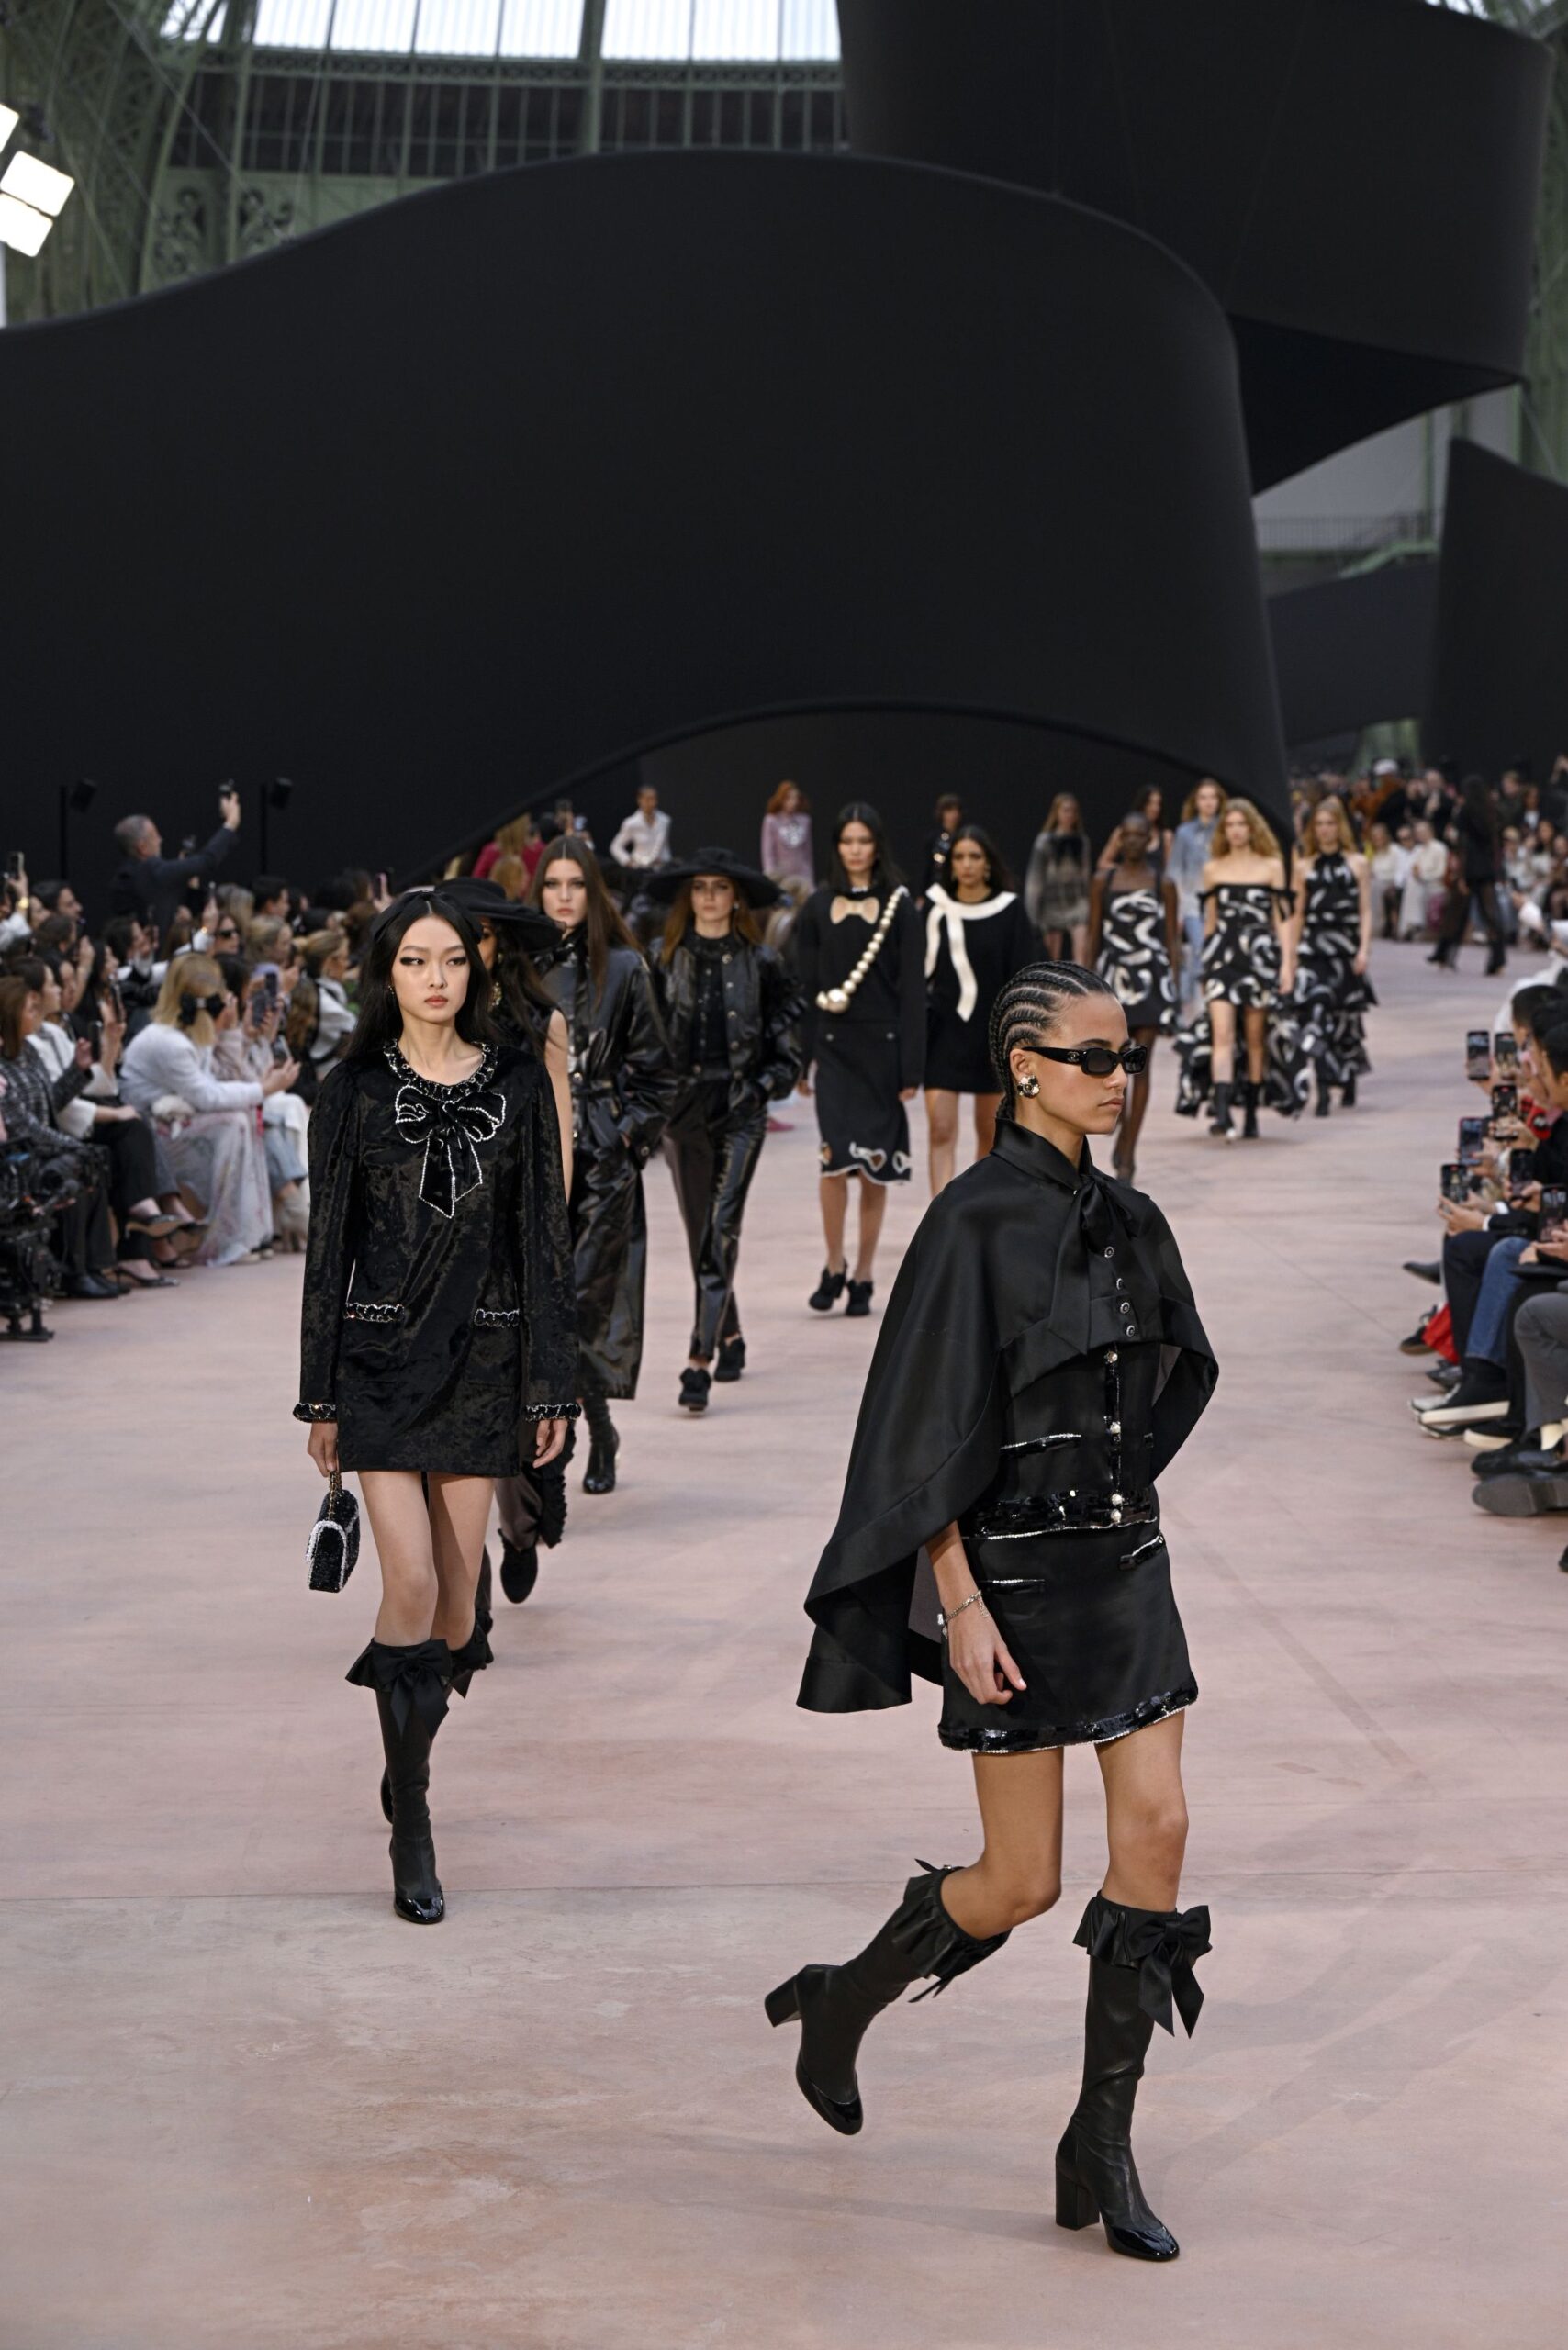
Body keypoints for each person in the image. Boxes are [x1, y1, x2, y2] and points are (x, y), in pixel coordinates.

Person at [770, 961, 1215, 2262]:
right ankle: (841, 2002)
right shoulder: (966, 1224)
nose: (1116, 1077)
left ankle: (1101, 2140)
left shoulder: (1131, 1218)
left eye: (1126, 1055)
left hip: (1125, 1566)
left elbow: (1169, 1379)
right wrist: (956, 1603)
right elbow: (920, 1436)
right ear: (1024, 1067)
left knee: (1164, 1827)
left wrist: (1118, 1495)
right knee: (1021, 1881)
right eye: (1091, 1056)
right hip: (1008, 1585)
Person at [295, 889, 577, 1926]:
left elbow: (543, 1234)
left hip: (485, 1359)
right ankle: (411, 1814)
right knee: (407, 1580)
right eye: (414, 960)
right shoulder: (353, 1089)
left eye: (450, 959)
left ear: (475, 969)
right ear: (387, 974)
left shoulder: (515, 1083)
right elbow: (327, 1250)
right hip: (376, 1362)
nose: (434, 979)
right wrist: (318, 1391)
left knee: (456, 1616)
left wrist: (553, 1379)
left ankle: (404, 1749)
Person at [441, 875, 576, 1608]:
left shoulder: (539, 1024)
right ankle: (466, 1568)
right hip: (434, 1249)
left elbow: (556, 1148)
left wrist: (542, 1250)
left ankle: (518, 1530)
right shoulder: (416, 1024)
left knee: (516, 1409)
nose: (466, 950)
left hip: (514, 1246)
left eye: (481, 935)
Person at [529, 835, 675, 1494]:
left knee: (581, 1303)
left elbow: (658, 1072)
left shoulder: (624, 969)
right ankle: (592, 1426)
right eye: (553, 884)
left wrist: (627, 1140)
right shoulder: (516, 968)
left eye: (575, 885)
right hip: (532, 1153)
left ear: (593, 893)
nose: (563, 896)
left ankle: (582, 1438)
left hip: (602, 1160)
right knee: (540, 1302)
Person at [646, 846, 805, 1410]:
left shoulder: (762, 962)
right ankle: (730, 1332)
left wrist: (761, 1088)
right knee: (701, 1230)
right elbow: (644, 1041)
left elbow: (789, 1044)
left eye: (719, 887)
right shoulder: (660, 959)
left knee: (723, 1224)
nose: (709, 897)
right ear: (688, 898)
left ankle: (698, 1360)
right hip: (683, 1108)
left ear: (735, 897)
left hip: (740, 1106)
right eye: (699, 887)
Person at [791, 804, 924, 1315]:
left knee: (873, 1166)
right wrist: (803, 1058)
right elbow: (805, 988)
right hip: (834, 1046)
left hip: (884, 1048)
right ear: (836, 846)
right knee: (832, 1161)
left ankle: (865, 1271)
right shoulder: (817, 905)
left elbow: (914, 989)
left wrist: (912, 1066)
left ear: (877, 846)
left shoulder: (899, 906)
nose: (854, 849)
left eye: (863, 840)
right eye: (846, 840)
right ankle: (833, 1263)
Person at [119, 956, 293, 1263]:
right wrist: (263, 1089)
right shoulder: (169, 1042)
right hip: (151, 1135)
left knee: (246, 1118)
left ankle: (249, 1233)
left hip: (173, 1121)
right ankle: (223, 1239)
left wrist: (236, 1035)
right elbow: (208, 1096)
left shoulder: (189, 1037)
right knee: (234, 1123)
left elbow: (222, 1083)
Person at [922, 824, 1036, 1193]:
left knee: (989, 1135)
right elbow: (918, 973)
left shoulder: (1008, 909)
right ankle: (940, 1222)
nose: (967, 865)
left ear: (987, 863)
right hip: (943, 1033)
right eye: (959, 857)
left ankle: (977, 1221)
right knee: (940, 1130)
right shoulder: (935, 906)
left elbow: (1023, 976)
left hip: (992, 1034)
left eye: (975, 856)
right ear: (950, 864)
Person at [1174, 800, 1297, 1140]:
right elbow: (1211, 921)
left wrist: (1287, 963)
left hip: (1258, 959)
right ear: (1223, 831)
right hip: (1222, 958)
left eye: (1242, 824)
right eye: (1230, 825)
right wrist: (1204, 967)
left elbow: (1282, 918)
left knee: (1256, 1039)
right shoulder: (1213, 869)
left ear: (1252, 827)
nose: (1236, 831)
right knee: (1222, 1036)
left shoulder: (1272, 866)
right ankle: (1224, 1113)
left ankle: (1253, 1115)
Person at [0, 973, 125, 1299]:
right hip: (16, 1158)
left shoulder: (28, 1051)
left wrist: (77, 1071)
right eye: (29, 1010)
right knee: (72, 1166)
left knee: (89, 1166)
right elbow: (22, 1127)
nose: (36, 1016)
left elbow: (50, 1104)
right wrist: (74, 1146)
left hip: (42, 1147)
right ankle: (74, 1272)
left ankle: (95, 1266)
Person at [1086, 811, 1179, 1181]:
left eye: (1140, 835)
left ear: (1150, 838)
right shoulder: (1103, 880)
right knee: (1114, 1063)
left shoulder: (1163, 882)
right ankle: (1122, 1125)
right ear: (1119, 838)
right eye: (1127, 835)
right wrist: (1086, 986)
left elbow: (1172, 941)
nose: (1134, 841)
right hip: (1114, 980)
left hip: (1152, 979)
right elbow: (1094, 935)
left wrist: (1174, 988)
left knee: (1142, 1064)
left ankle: (1129, 1151)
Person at [1291, 796, 1374, 1116]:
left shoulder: (1357, 863)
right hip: (1313, 950)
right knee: (1315, 1016)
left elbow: (1365, 910)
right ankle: (1324, 1088)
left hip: (1345, 949)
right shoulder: (1303, 866)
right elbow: (1297, 914)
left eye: (1331, 824)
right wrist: (1292, 956)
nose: (1325, 830)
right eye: (1320, 825)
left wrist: (1364, 949)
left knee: (1345, 1019)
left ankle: (1348, 1077)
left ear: (1340, 827)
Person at [109, 786, 242, 934]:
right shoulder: (152, 871)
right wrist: (231, 823)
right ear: (142, 847)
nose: (161, 840)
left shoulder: (124, 879)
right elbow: (207, 860)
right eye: (155, 836)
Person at [1430, 775, 1506, 975]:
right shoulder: (1492, 812)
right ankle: (1498, 959)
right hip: (1487, 868)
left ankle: (1444, 954)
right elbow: (1496, 845)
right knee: (1490, 915)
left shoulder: (1464, 812)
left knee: (1456, 913)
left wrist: (1462, 874)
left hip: (1470, 867)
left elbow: (1463, 845)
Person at [1167, 779, 1225, 1011]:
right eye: (1204, 797)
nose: (1208, 802)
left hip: (1221, 902)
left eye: (1213, 797)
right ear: (1196, 801)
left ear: (1219, 801)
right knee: (1201, 950)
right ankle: (1196, 1008)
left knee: (1211, 953)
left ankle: (1201, 1007)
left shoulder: (1225, 829)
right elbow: (1174, 870)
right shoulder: (1184, 832)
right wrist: (1178, 908)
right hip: (1192, 902)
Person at [1025, 794, 1092, 960]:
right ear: (1056, 813)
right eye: (1066, 810)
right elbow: (1035, 879)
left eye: (1073, 811)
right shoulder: (1044, 842)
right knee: (1052, 959)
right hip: (1052, 904)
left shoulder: (1082, 841)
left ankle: (1082, 985)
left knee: (1081, 953)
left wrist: (1090, 903)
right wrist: (1032, 915)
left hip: (1077, 902)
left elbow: (1086, 875)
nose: (1069, 815)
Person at [760, 780, 814, 891]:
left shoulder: (804, 820)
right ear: (781, 799)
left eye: (795, 798)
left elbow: (807, 852)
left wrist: (810, 878)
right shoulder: (772, 821)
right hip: (781, 875)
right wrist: (770, 878)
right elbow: (768, 852)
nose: (793, 802)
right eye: (788, 798)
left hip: (802, 874)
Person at [1401, 818, 1448, 941]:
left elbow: (1441, 872)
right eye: (1417, 833)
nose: (1420, 835)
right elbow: (1411, 868)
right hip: (1420, 882)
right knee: (1412, 884)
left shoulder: (1439, 848)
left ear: (1430, 831)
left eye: (1422, 832)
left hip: (1436, 884)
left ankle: (1415, 923)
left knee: (1414, 886)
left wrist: (1423, 876)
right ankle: (1412, 924)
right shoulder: (1418, 850)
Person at [610, 784, 672, 872]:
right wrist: (628, 862)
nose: (652, 803)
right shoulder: (631, 823)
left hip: (662, 868)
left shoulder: (664, 820)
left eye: (654, 799)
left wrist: (664, 861)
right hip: (641, 870)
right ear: (639, 800)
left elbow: (663, 846)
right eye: (648, 800)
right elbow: (615, 847)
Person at [919, 795, 966, 901]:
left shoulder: (965, 838)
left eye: (957, 810)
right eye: (949, 810)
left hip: (960, 890)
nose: (954, 815)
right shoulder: (933, 839)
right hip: (937, 891)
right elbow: (927, 869)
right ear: (942, 813)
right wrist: (921, 895)